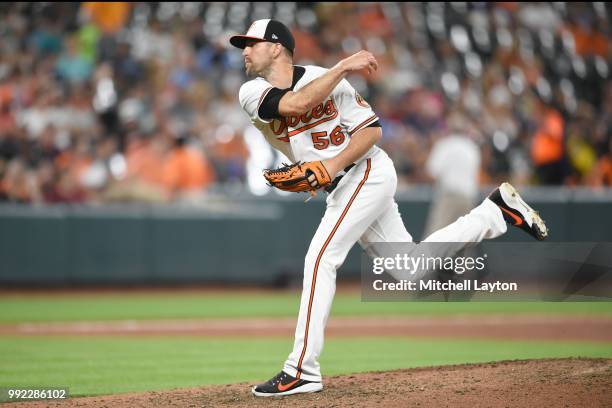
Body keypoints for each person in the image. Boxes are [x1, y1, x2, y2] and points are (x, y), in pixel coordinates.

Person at [230, 19, 548, 397]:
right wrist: (343, 68)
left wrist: (329, 165)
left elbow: (372, 131)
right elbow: (297, 102)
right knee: (410, 273)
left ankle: (302, 369)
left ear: (277, 47)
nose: (245, 51)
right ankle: (495, 212)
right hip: (342, 184)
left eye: (252, 43)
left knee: (320, 259)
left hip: (368, 171)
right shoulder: (252, 91)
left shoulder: (328, 78)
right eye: (243, 45)